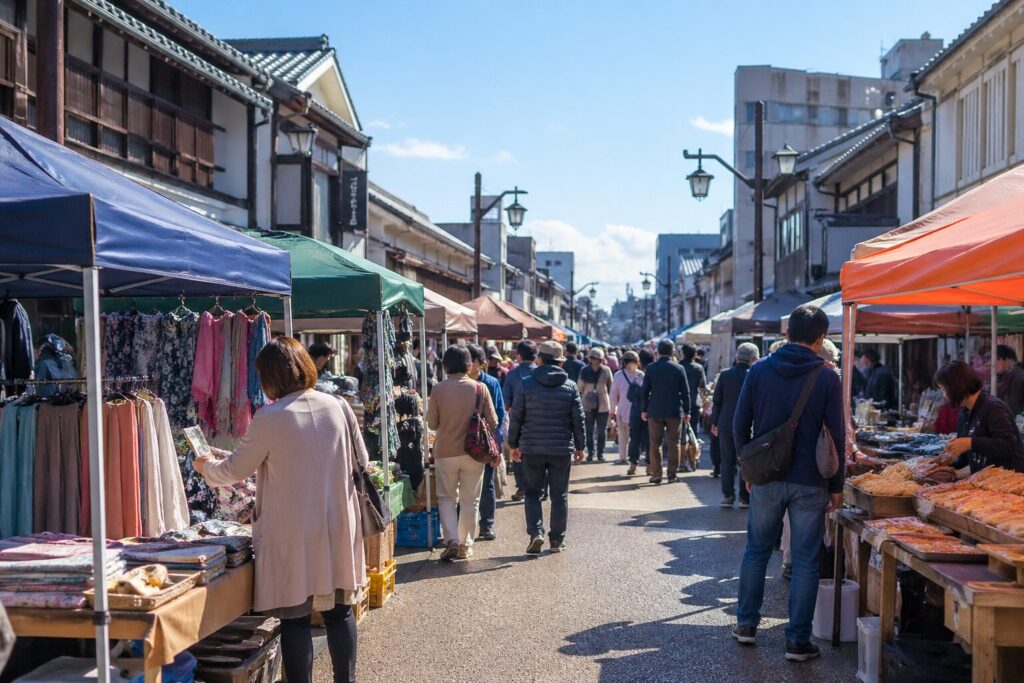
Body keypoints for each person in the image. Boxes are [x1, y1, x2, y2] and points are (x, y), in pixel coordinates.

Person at [194, 338, 365, 683]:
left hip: (291, 527)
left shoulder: (270, 417)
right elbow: (360, 459)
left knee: (295, 616)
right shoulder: (338, 406)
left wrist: (204, 466)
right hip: (338, 520)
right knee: (339, 609)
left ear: (270, 378)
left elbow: (233, 471)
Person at [732, 305, 845, 663]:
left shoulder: (759, 370)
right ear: (821, 337)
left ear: (786, 334)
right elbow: (837, 436)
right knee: (807, 560)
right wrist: (837, 486)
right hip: (810, 482)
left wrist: (747, 470)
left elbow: (739, 425)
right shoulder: (827, 376)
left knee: (757, 551)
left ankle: (746, 626)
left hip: (765, 477)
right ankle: (797, 641)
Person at [508, 341, 586, 554]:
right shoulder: (570, 386)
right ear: (560, 362)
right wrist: (581, 446)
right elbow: (578, 419)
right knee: (559, 495)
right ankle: (556, 541)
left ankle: (536, 533)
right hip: (561, 448)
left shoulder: (526, 383)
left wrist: (513, 444)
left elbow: (516, 417)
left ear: (539, 360)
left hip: (532, 447)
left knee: (532, 492)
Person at [426, 346, 499, 561]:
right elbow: (494, 422)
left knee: (446, 498)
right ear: (469, 366)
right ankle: (466, 545)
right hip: (474, 452)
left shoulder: (438, 389)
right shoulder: (480, 388)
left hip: (445, 451)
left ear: (445, 365)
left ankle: (451, 540)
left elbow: (432, 423)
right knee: (470, 500)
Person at [935, 360, 1024, 472]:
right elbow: (965, 460)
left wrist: (971, 443)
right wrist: (944, 463)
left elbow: (1008, 444)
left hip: (1009, 480)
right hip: (985, 480)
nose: (944, 395)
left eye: (944, 389)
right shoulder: (964, 413)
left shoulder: (993, 408)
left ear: (955, 386)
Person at [712, 343, 758, 508]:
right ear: (754, 359)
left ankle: (728, 495)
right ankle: (744, 498)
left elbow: (717, 401)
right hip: (747, 424)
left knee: (727, 460)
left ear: (737, 358)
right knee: (745, 460)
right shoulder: (754, 374)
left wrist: (714, 422)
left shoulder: (725, 375)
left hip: (725, 422)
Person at [467, 344, 506, 541]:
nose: (466, 364)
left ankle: (487, 525)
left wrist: (497, 446)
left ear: (480, 364)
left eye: (470, 360)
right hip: (464, 441)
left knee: (487, 484)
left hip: (485, 441)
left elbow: (498, 414)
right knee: (464, 485)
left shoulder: (491, 383)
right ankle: (463, 529)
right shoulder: (461, 382)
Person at [640, 339, 691, 484]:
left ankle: (656, 474)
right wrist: (687, 411)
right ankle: (672, 474)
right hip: (674, 410)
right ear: (673, 352)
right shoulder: (679, 368)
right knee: (674, 442)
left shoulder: (651, 368)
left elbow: (644, 391)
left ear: (658, 352)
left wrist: (644, 409)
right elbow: (686, 392)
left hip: (655, 410)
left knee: (655, 443)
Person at [503, 341, 538, 501]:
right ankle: (540, 488)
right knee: (538, 456)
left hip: (518, 421)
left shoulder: (512, 375)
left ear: (518, 355)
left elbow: (506, 402)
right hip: (540, 421)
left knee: (517, 454)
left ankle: (522, 488)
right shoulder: (540, 373)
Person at [578, 347, 614, 462]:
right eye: (594, 358)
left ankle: (599, 452)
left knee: (600, 430)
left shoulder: (605, 370)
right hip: (590, 404)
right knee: (590, 430)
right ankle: (592, 452)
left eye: (596, 359)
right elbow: (610, 387)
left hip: (600, 404)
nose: (595, 361)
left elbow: (610, 387)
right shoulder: (586, 370)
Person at [610, 350, 644, 466]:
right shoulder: (641, 375)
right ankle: (633, 459)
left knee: (622, 436)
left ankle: (623, 458)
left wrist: (612, 410)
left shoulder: (618, 375)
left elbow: (613, 395)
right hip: (637, 411)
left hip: (622, 410)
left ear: (623, 362)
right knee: (635, 437)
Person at [679, 342, 709, 439]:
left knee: (679, 432)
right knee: (693, 432)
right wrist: (705, 401)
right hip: (694, 403)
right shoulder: (698, 368)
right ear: (695, 354)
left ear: (682, 353)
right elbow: (702, 387)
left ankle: (681, 452)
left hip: (678, 404)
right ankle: (693, 452)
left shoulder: (677, 367)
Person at [995, 344, 1024, 417]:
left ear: (1008, 360)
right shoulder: (1001, 377)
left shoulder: (1018, 378)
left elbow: (1013, 408)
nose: (993, 363)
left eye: (997, 359)